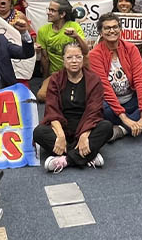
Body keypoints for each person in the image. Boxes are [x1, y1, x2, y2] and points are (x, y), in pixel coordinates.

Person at [34, 43, 113, 172]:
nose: (74, 61)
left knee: (106, 127)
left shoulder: (94, 80)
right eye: (69, 58)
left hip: (87, 127)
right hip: (63, 128)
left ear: (83, 59)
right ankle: (88, 155)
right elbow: (51, 110)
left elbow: (94, 112)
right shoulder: (55, 79)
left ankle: (65, 160)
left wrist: (84, 136)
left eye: (78, 57)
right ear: (63, 60)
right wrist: (60, 136)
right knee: (39, 132)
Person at [89, 13, 142, 140]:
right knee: (98, 110)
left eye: (115, 27)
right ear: (101, 32)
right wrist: (124, 117)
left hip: (130, 99)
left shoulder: (131, 48)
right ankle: (141, 125)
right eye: (107, 28)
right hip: (108, 104)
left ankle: (122, 130)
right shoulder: (94, 54)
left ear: (120, 29)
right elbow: (105, 90)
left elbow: (139, 81)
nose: (112, 31)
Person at [37, 0, 89, 76]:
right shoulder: (42, 31)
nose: (48, 13)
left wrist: (76, 37)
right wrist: (46, 79)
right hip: (55, 75)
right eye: (49, 9)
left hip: (75, 74)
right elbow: (45, 58)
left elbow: (86, 51)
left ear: (62, 14)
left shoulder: (74, 26)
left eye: (53, 11)